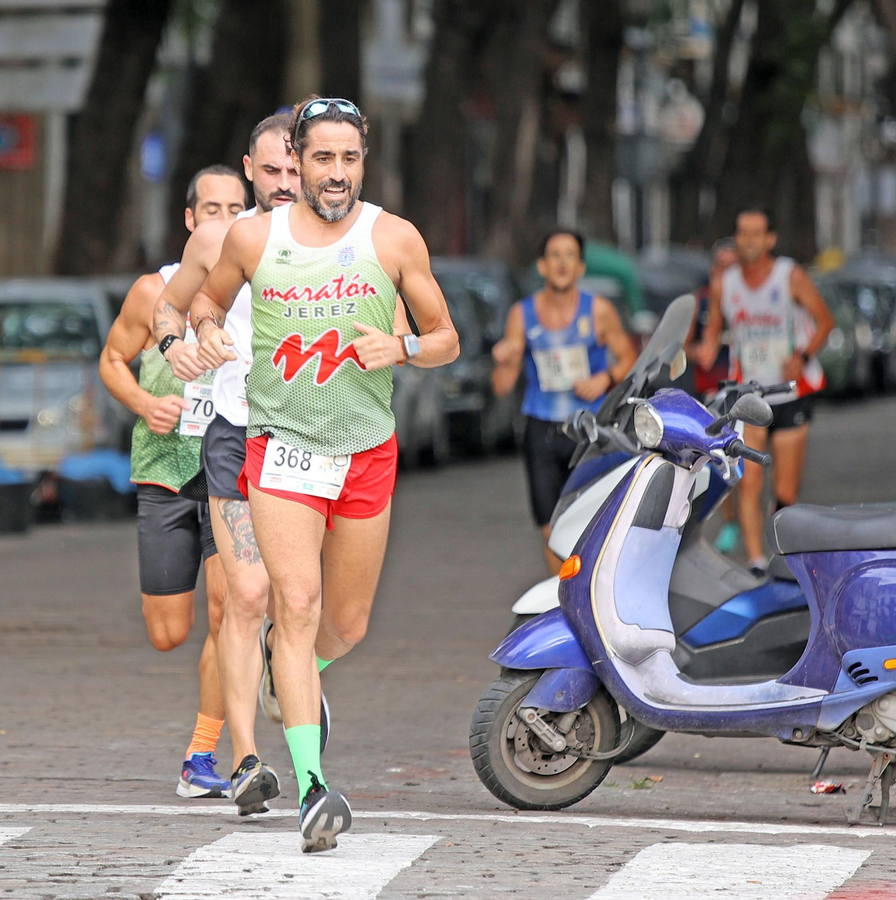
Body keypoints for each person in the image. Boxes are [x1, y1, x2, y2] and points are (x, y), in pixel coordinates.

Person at [174, 96, 459, 853]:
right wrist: (201, 335)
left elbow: (446, 339)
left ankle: (284, 667)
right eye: (322, 159)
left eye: (350, 159)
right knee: (294, 604)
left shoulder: (393, 238)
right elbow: (204, 301)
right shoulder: (253, 237)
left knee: (346, 624)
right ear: (294, 163)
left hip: (366, 450)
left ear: (365, 161)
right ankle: (310, 786)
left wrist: (400, 350)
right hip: (282, 447)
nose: (336, 174)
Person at [150, 114, 301, 820]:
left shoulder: (353, 239)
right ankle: (242, 759)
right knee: (241, 599)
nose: (283, 185)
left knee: (311, 609)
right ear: (250, 169)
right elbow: (166, 310)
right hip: (236, 438)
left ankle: (296, 675)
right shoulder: (219, 240)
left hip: (319, 441)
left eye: (294, 171)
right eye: (270, 172)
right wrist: (179, 344)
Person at [99, 164, 247, 799]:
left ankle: (202, 753)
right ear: (189, 221)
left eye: (236, 208)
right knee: (169, 632)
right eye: (211, 209)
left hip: (228, 470)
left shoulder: (258, 287)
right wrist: (142, 403)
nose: (224, 220)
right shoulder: (150, 291)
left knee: (228, 612)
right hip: (164, 470)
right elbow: (111, 361)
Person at [490, 228, 634, 573]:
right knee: (551, 529)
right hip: (541, 431)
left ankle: (592, 592)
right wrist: (505, 359)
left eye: (570, 255)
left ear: (581, 267)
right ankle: (562, 599)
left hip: (590, 430)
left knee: (592, 523)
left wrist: (605, 378)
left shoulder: (599, 311)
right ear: (542, 266)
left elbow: (629, 358)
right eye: (554, 255)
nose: (562, 263)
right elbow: (501, 387)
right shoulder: (521, 314)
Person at [698, 208, 833, 577]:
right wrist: (687, 352)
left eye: (756, 233)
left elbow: (826, 322)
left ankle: (779, 554)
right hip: (747, 396)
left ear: (770, 239)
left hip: (791, 392)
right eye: (742, 233)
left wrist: (803, 355)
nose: (749, 240)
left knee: (785, 490)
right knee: (749, 478)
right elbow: (710, 342)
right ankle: (756, 561)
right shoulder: (724, 283)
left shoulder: (790, 276)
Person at [689, 237, 742, 554]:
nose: (726, 273)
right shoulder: (701, 301)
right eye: (721, 267)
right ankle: (727, 519)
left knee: (738, 457)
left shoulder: (746, 300)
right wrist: (698, 352)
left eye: (732, 267)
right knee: (715, 459)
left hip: (740, 387)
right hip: (708, 388)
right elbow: (684, 344)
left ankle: (741, 523)